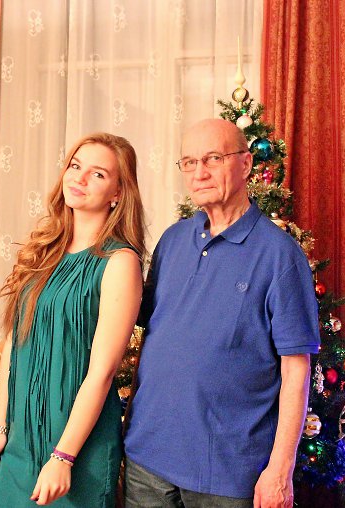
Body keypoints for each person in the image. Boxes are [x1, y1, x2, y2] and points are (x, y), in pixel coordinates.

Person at [124, 119, 321, 508]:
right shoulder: (172, 240)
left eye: (213, 158)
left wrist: (280, 470)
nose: (199, 173)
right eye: (189, 162)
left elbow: (296, 370)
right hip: (147, 458)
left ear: (245, 164)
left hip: (228, 472)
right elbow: (148, 332)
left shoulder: (280, 255)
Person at [0, 132, 145, 507]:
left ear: (118, 192)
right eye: (75, 166)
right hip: (20, 439)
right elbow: (15, 344)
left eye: (98, 174)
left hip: (76, 447)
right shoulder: (42, 252)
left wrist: (63, 456)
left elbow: (102, 372)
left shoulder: (120, 263)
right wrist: (0, 426)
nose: (80, 178)